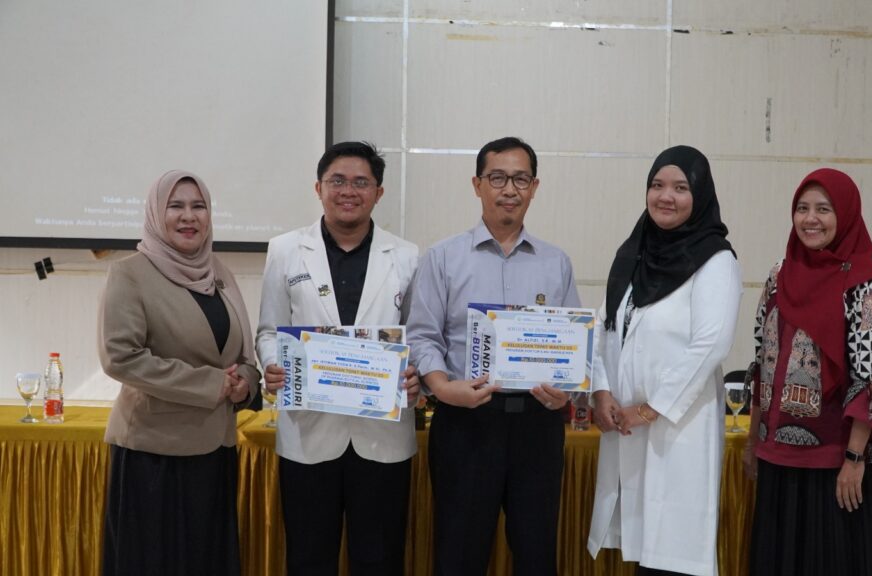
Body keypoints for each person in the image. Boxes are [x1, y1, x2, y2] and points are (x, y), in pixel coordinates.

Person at [406, 136, 581, 576]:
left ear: (534, 187)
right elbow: (423, 336)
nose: (509, 189)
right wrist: (443, 387)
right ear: (477, 184)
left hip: (537, 425)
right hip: (466, 423)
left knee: (537, 554)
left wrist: (567, 391)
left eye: (521, 179)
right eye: (498, 178)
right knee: (459, 555)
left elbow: (573, 344)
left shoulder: (556, 262)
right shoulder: (443, 258)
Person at [256, 141, 420, 576]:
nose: (349, 191)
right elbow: (269, 330)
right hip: (308, 434)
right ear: (319, 188)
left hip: (383, 438)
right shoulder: (285, 250)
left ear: (378, 192)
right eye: (338, 181)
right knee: (309, 559)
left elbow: (418, 338)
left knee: (380, 560)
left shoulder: (407, 256)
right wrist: (273, 364)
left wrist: (415, 374)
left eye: (361, 182)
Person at [587, 146, 742, 576]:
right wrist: (601, 391)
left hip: (677, 428)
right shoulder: (633, 254)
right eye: (657, 185)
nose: (665, 196)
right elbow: (601, 327)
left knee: (674, 552)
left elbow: (711, 345)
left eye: (680, 187)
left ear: (700, 196)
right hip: (625, 425)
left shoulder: (716, 260)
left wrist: (649, 409)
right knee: (642, 548)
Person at [99, 170, 259, 576]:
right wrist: (211, 384)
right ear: (157, 214)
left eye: (198, 206)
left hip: (214, 452)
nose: (189, 216)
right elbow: (121, 357)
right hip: (153, 456)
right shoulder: (130, 273)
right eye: (176, 206)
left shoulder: (218, 272)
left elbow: (240, 352)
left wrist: (246, 381)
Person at [743, 168, 872, 576]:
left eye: (824, 209)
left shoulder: (868, 287)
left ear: (845, 215)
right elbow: (763, 363)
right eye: (802, 208)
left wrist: (854, 458)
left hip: (837, 464)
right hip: (778, 458)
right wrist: (753, 441)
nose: (810, 219)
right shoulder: (778, 276)